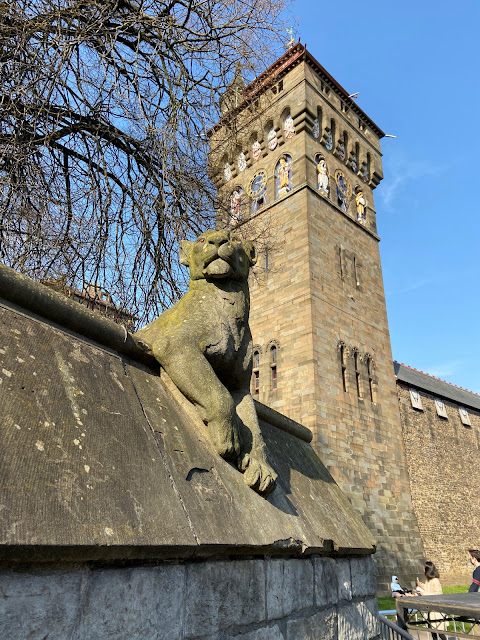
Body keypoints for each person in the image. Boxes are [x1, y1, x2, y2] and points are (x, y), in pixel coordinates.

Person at [416, 561, 446, 640]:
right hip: (430, 609)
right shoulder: (428, 580)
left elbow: (437, 594)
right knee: (432, 632)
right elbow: (428, 589)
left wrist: (424, 594)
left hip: (437, 610)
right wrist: (421, 586)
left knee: (440, 632)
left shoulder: (435, 580)